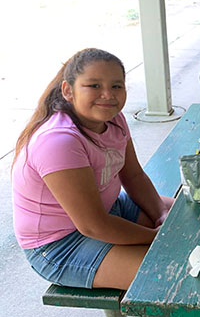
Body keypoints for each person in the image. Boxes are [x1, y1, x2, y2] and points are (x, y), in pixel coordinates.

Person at [11, 48, 174, 290]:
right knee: (170, 270)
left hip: (109, 209)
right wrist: (157, 237)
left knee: (192, 218)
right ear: (68, 90)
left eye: (117, 86)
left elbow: (133, 175)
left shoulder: (114, 120)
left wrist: (161, 213)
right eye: (94, 86)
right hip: (60, 244)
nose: (107, 95)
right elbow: (93, 225)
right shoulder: (58, 141)